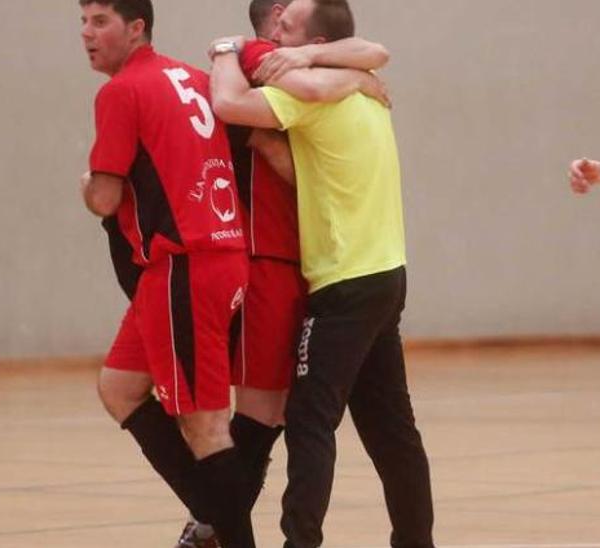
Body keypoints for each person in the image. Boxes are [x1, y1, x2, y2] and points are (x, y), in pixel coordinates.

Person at [209, 1, 434, 546]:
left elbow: (227, 102)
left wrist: (225, 47)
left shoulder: (308, 94)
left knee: (310, 421)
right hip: (386, 273)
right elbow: (312, 163)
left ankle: (300, 541)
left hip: (344, 283)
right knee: (391, 431)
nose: (276, 30)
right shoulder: (365, 90)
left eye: (287, 25)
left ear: (314, 42)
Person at [78, 0, 254, 546]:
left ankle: (227, 530)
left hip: (187, 265)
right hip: (208, 260)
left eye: (99, 21)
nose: (87, 33)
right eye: (82, 22)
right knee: (120, 388)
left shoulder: (121, 91)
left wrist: (86, 184)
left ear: (136, 29)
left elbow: (104, 198)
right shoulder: (196, 78)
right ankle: (216, 517)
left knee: (205, 426)